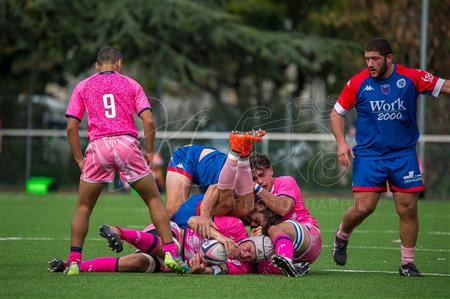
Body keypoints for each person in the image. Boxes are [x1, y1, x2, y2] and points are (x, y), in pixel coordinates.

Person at [330, 37, 450, 277]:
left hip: (403, 154)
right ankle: (342, 235)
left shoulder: (411, 77)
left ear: (389, 58)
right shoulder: (357, 83)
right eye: (367, 59)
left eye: (375, 59)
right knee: (364, 208)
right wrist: (342, 143)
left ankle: (407, 264)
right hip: (369, 155)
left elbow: (445, 85)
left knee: (408, 209)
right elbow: (336, 113)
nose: (370, 64)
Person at [64, 46, 188, 275]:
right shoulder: (131, 84)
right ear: (120, 64)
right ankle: (170, 252)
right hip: (126, 145)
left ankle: (73, 261)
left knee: (83, 207)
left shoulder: (82, 86)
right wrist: (150, 152)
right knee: (153, 200)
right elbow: (149, 122)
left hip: (98, 147)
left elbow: (71, 127)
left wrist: (79, 158)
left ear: (97, 66)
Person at [48, 217, 274, 275]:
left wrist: (198, 270)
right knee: (172, 249)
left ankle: (71, 266)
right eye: (249, 249)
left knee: (136, 262)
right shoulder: (234, 226)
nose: (245, 254)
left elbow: (214, 270)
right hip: (172, 235)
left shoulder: (240, 267)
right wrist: (219, 236)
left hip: (176, 264)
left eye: (251, 258)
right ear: (249, 239)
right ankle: (120, 232)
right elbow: (194, 221)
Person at [249, 153, 322, 277]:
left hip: (308, 238)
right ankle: (296, 267)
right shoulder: (252, 197)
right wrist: (254, 236)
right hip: (280, 244)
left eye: (261, 175)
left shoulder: (285, 182)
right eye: (254, 178)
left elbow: (282, 209)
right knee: (252, 263)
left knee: (275, 228)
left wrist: (255, 187)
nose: (260, 181)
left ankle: (286, 260)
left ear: (270, 170)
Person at [166, 130, 264, 219]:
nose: (260, 181)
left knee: (239, 207)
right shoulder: (252, 194)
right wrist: (204, 217)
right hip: (189, 156)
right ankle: (152, 235)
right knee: (174, 212)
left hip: (215, 165)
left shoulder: (254, 199)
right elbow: (213, 189)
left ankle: (241, 151)